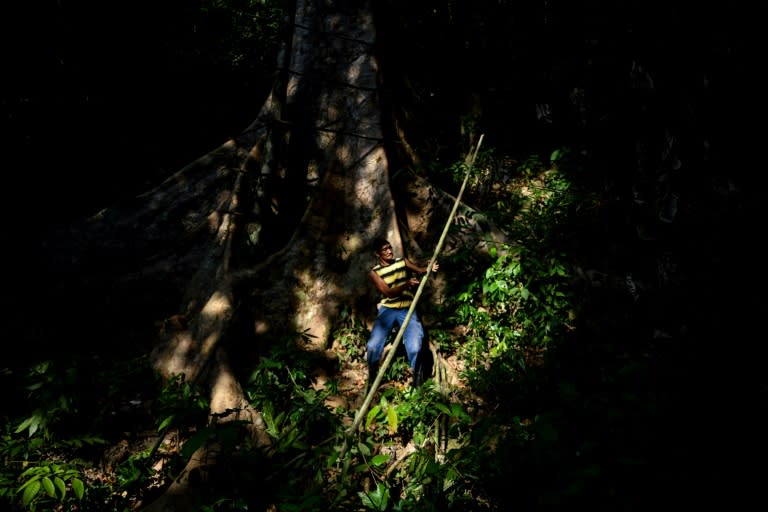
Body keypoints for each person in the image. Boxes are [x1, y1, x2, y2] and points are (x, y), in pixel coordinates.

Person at [366, 238, 439, 389]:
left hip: (407, 308)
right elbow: (388, 292)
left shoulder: (402, 261)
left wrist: (429, 268)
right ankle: (372, 376)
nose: (389, 251)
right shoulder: (375, 273)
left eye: (390, 248)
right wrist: (406, 284)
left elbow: (420, 270)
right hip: (388, 309)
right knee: (373, 345)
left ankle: (417, 381)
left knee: (415, 345)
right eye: (385, 249)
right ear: (377, 253)